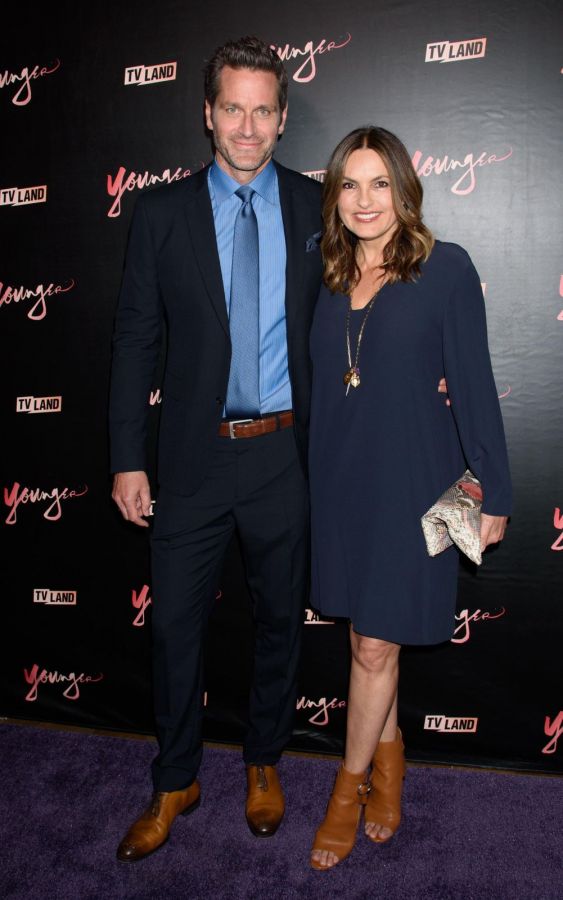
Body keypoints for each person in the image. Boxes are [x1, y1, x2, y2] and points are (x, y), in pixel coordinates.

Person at [109, 36, 324, 861]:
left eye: (262, 110)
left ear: (281, 117)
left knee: (279, 621)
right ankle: (175, 777)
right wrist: (128, 456)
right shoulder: (161, 212)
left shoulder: (316, 207)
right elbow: (135, 339)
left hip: (284, 456)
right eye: (231, 108)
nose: (246, 127)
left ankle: (264, 760)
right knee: (173, 628)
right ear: (207, 113)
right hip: (192, 459)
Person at [307, 126, 511, 870]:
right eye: (350, 184)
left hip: (414, 485)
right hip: (339, 483)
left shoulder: (443, 268)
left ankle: (348, 789)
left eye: (380, 183)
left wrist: (494, 489)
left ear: (404, 189)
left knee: (372, 646)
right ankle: (391, 765)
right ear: (334, 195)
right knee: (369, 634)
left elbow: (475, 386)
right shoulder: (326, 272)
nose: (365, 200)